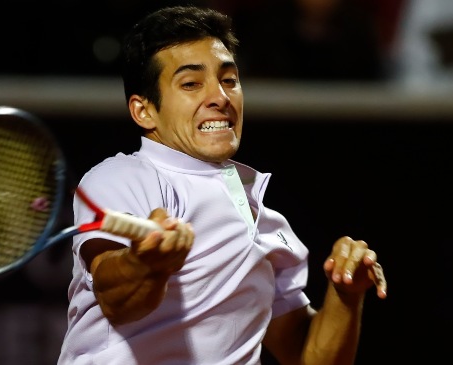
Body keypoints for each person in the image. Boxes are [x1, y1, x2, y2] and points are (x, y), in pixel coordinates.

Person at [58, 5, 387, 365]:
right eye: (191, 83)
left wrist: (345, 295)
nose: (220, 97)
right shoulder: (121, 179)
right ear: (144, 111)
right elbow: (116, 299)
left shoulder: (268, 223)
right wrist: (145, 262)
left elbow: (306, 357)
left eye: (229, 80)